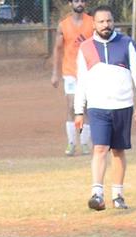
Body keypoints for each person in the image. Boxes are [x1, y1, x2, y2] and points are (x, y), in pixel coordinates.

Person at [73, 5, 136, 211]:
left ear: (113, 22)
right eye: (101, 21)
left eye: (109, 21)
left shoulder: (127, 43)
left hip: (123, 106)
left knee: (118, 151)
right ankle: (97, 194)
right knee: (99, 148)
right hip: (97, 107)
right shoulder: (86, 48)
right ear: (94, 24)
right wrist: (79, 110)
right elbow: (81, 81)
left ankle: (117, 195)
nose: (106, 25)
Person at [50, 0, 94, 156]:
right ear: (70, 4)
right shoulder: (63, 25)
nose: (79, 3)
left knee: (86, 107)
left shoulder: (93, 23)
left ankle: (84, 143)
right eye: (76, 1)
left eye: (82, 1)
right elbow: (57, 49)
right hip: (69, 71)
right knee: (71, 106)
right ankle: (71, 143)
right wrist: (55, 73)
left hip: (88, 72)